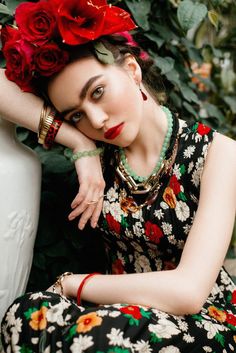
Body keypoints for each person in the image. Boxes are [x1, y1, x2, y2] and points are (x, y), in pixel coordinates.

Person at [1, 0, 236, 352]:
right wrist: (76, 141)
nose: (96, 121)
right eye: (76, 115)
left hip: (202, 322)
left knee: (94, 337)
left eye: (97, 92)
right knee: (23, 316)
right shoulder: (103, 154)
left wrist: (73, 285)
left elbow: (188, 292)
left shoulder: (219, 153)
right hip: (116, 317)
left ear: (132, 70)